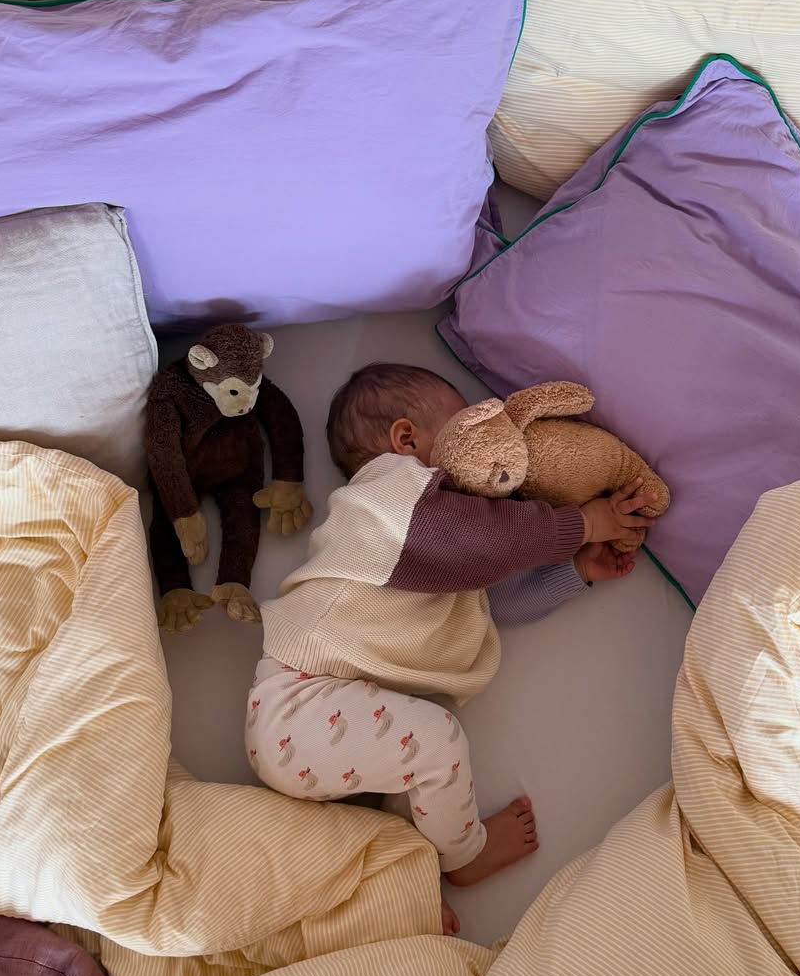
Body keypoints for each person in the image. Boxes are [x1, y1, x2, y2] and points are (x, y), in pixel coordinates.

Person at [245, 364, 657, 932]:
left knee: (394, 829)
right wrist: (582, 523)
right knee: (435, 739)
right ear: (406, 440)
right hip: (301, 704)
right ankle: (465, 856)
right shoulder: (386, 499)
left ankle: (405, 887)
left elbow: (488, 608)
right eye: (468, 428)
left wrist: (574, 571)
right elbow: (489, 538)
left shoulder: (437, 557)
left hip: (336, 735)